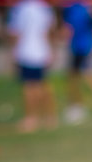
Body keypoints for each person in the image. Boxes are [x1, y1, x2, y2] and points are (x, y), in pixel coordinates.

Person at [7, 0, 58, 133]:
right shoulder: (44, 8)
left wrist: (12, 53)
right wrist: (52, 50)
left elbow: (15, 32)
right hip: (42, 51)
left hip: (26, 52)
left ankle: (31, 119)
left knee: (29, 87)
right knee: (42, 84)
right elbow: (50, 31)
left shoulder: (19, 8)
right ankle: (50, 116)